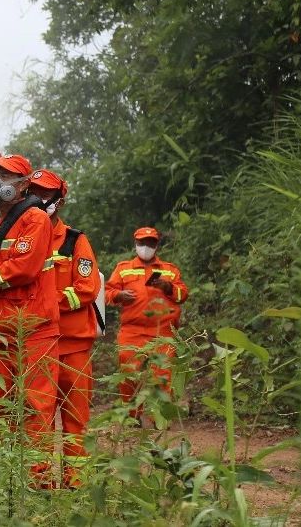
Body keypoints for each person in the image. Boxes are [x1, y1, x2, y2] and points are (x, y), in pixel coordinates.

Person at [0, 154, 58, 460]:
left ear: (23, 185)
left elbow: (24, 268)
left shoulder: (36, 219)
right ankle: (0, 484)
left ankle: (36, 484)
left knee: (35, 408)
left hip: (32, 329)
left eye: (5, 176)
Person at [27, 169, 100, 488]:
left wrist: (49, 302)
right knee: (36, 422)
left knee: (75, 422)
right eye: (32, 192)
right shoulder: (23, 239)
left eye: (45, 195)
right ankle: (40, 488)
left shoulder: (74, 241)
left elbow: (86, 287)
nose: (39, 200)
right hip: (37, 346)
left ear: (60, 200)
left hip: (74, 348)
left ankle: (75, 486)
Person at [105, 226, 188, 418]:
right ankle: (132, 419)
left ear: (157, 245)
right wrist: (119, 295)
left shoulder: (170, 270)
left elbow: (183, 294)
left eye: (150, 243)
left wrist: (168, 287)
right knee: (129, 375)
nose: (145, 247)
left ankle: (158, 420)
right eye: (142, 243)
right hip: (132, 332)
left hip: (164, 334)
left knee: (163, 377)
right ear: (135, 244)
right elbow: (107, 293)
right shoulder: (123, 269)